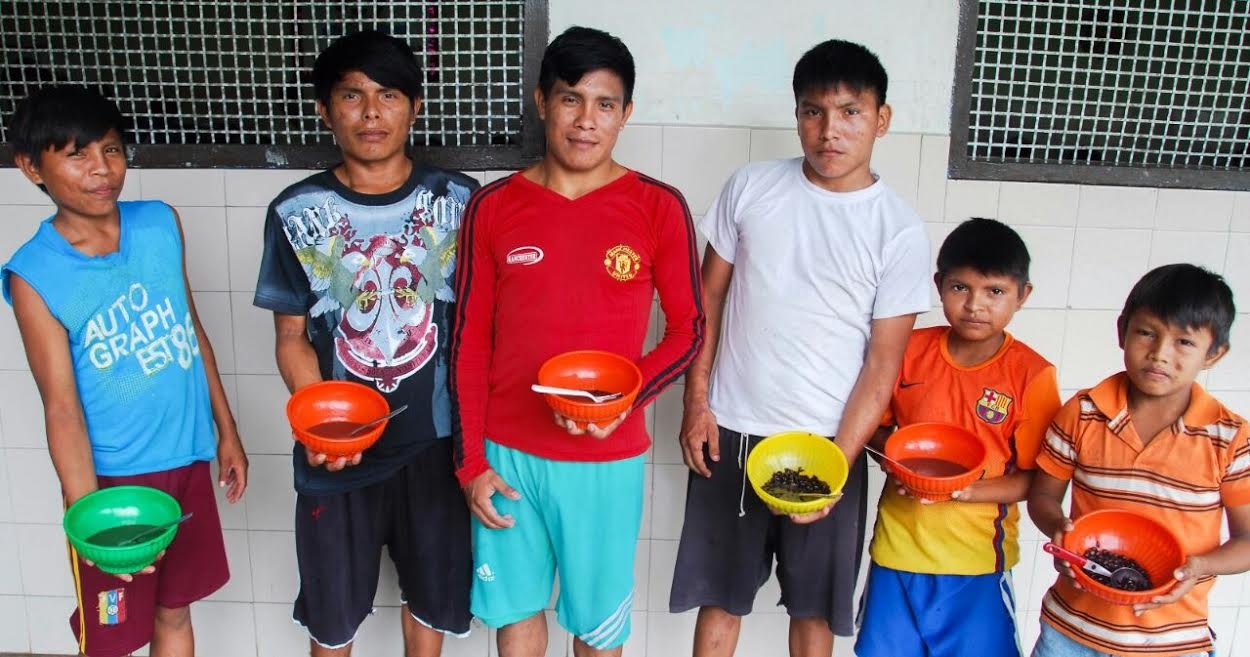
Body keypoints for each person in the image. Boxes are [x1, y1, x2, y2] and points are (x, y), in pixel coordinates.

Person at [669, 38, 932, 657]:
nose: (829, 131)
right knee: (720, 600)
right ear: (797, 117)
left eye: (850, 112)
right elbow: (703, 306)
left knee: (815, 611)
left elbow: (883, 362)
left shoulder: (897, 230)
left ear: (881, 120)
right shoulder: (751, 188)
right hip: (731, 430)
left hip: (826, 444)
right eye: (814, 111)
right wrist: (697, 404)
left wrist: (836, 468)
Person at [451, 26, 704, 657]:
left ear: (625, 115)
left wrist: (624, 397)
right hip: (507, 454)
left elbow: (689, 329)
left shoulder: (656, 207)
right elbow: (469, 342)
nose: (586, 121)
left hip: (606, 458)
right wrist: (471, 464)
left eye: (605, 104)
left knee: (597, 628)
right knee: (517, 616)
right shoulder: (494, 206)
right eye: (570, 99)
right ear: (542, 102)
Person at [2, 85, 248, 657]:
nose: (101, 170)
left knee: (174, 611)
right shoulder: (32, 275)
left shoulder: (161, 224)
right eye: (77, 154)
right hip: (114, 485)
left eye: (111, 150)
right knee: (112, 638)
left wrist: (226, 434)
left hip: (187, 463)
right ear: (30, 167)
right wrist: (91, 517)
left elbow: (192, 333)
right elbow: (60, 407)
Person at [253, 30, 475, 656]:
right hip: (337, 456)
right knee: (333, 616)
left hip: (436, 447)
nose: (371, 112)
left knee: (429, 607)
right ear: (325, 110)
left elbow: (484, 327)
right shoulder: (296, 210)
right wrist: (326, 422)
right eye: (351, 95)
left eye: (388, 94)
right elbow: (291, 336)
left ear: (416, 105)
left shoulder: (460, 202)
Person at [854, 218, 1061, 657]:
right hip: (897, 551)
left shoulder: (1032, 375)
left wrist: (963, 491)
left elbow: (1035, 480)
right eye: (960, 287)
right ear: (938, 285)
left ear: (1023, 295)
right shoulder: (909, 349)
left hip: (976, 563)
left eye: (995, 292)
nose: (974, 305)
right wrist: (898, 462)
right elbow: (873, 426)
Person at [1027, 263, 1250, 657]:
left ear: (1214, 354)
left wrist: (1196, 567)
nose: (1159, 354)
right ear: (1122, 331)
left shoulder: (1231, 438)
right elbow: (1042, 496)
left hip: (1171, 643)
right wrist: (1061, 531)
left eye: (1184, 342)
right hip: (1071, 632)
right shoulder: (1082, 412)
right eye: (1146, 333)